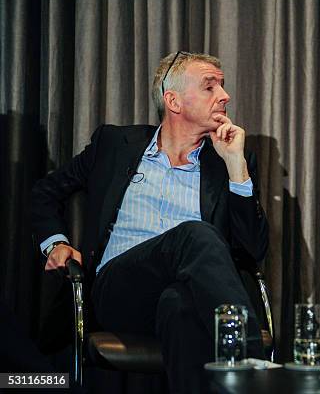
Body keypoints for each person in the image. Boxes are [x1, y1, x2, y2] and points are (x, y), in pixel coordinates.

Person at [32, 51, 269, 392]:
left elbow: (252, 252)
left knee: (179, 307)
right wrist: (55, 243)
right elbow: (44, 193)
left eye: (222, 85)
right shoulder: (115, 144)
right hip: (118, 292)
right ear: (173, 100)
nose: (225, 95)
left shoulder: (230, 160)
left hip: (186, 295)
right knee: (194, 235)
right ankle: (254, 367)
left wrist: (235, 167)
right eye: (209, 86)